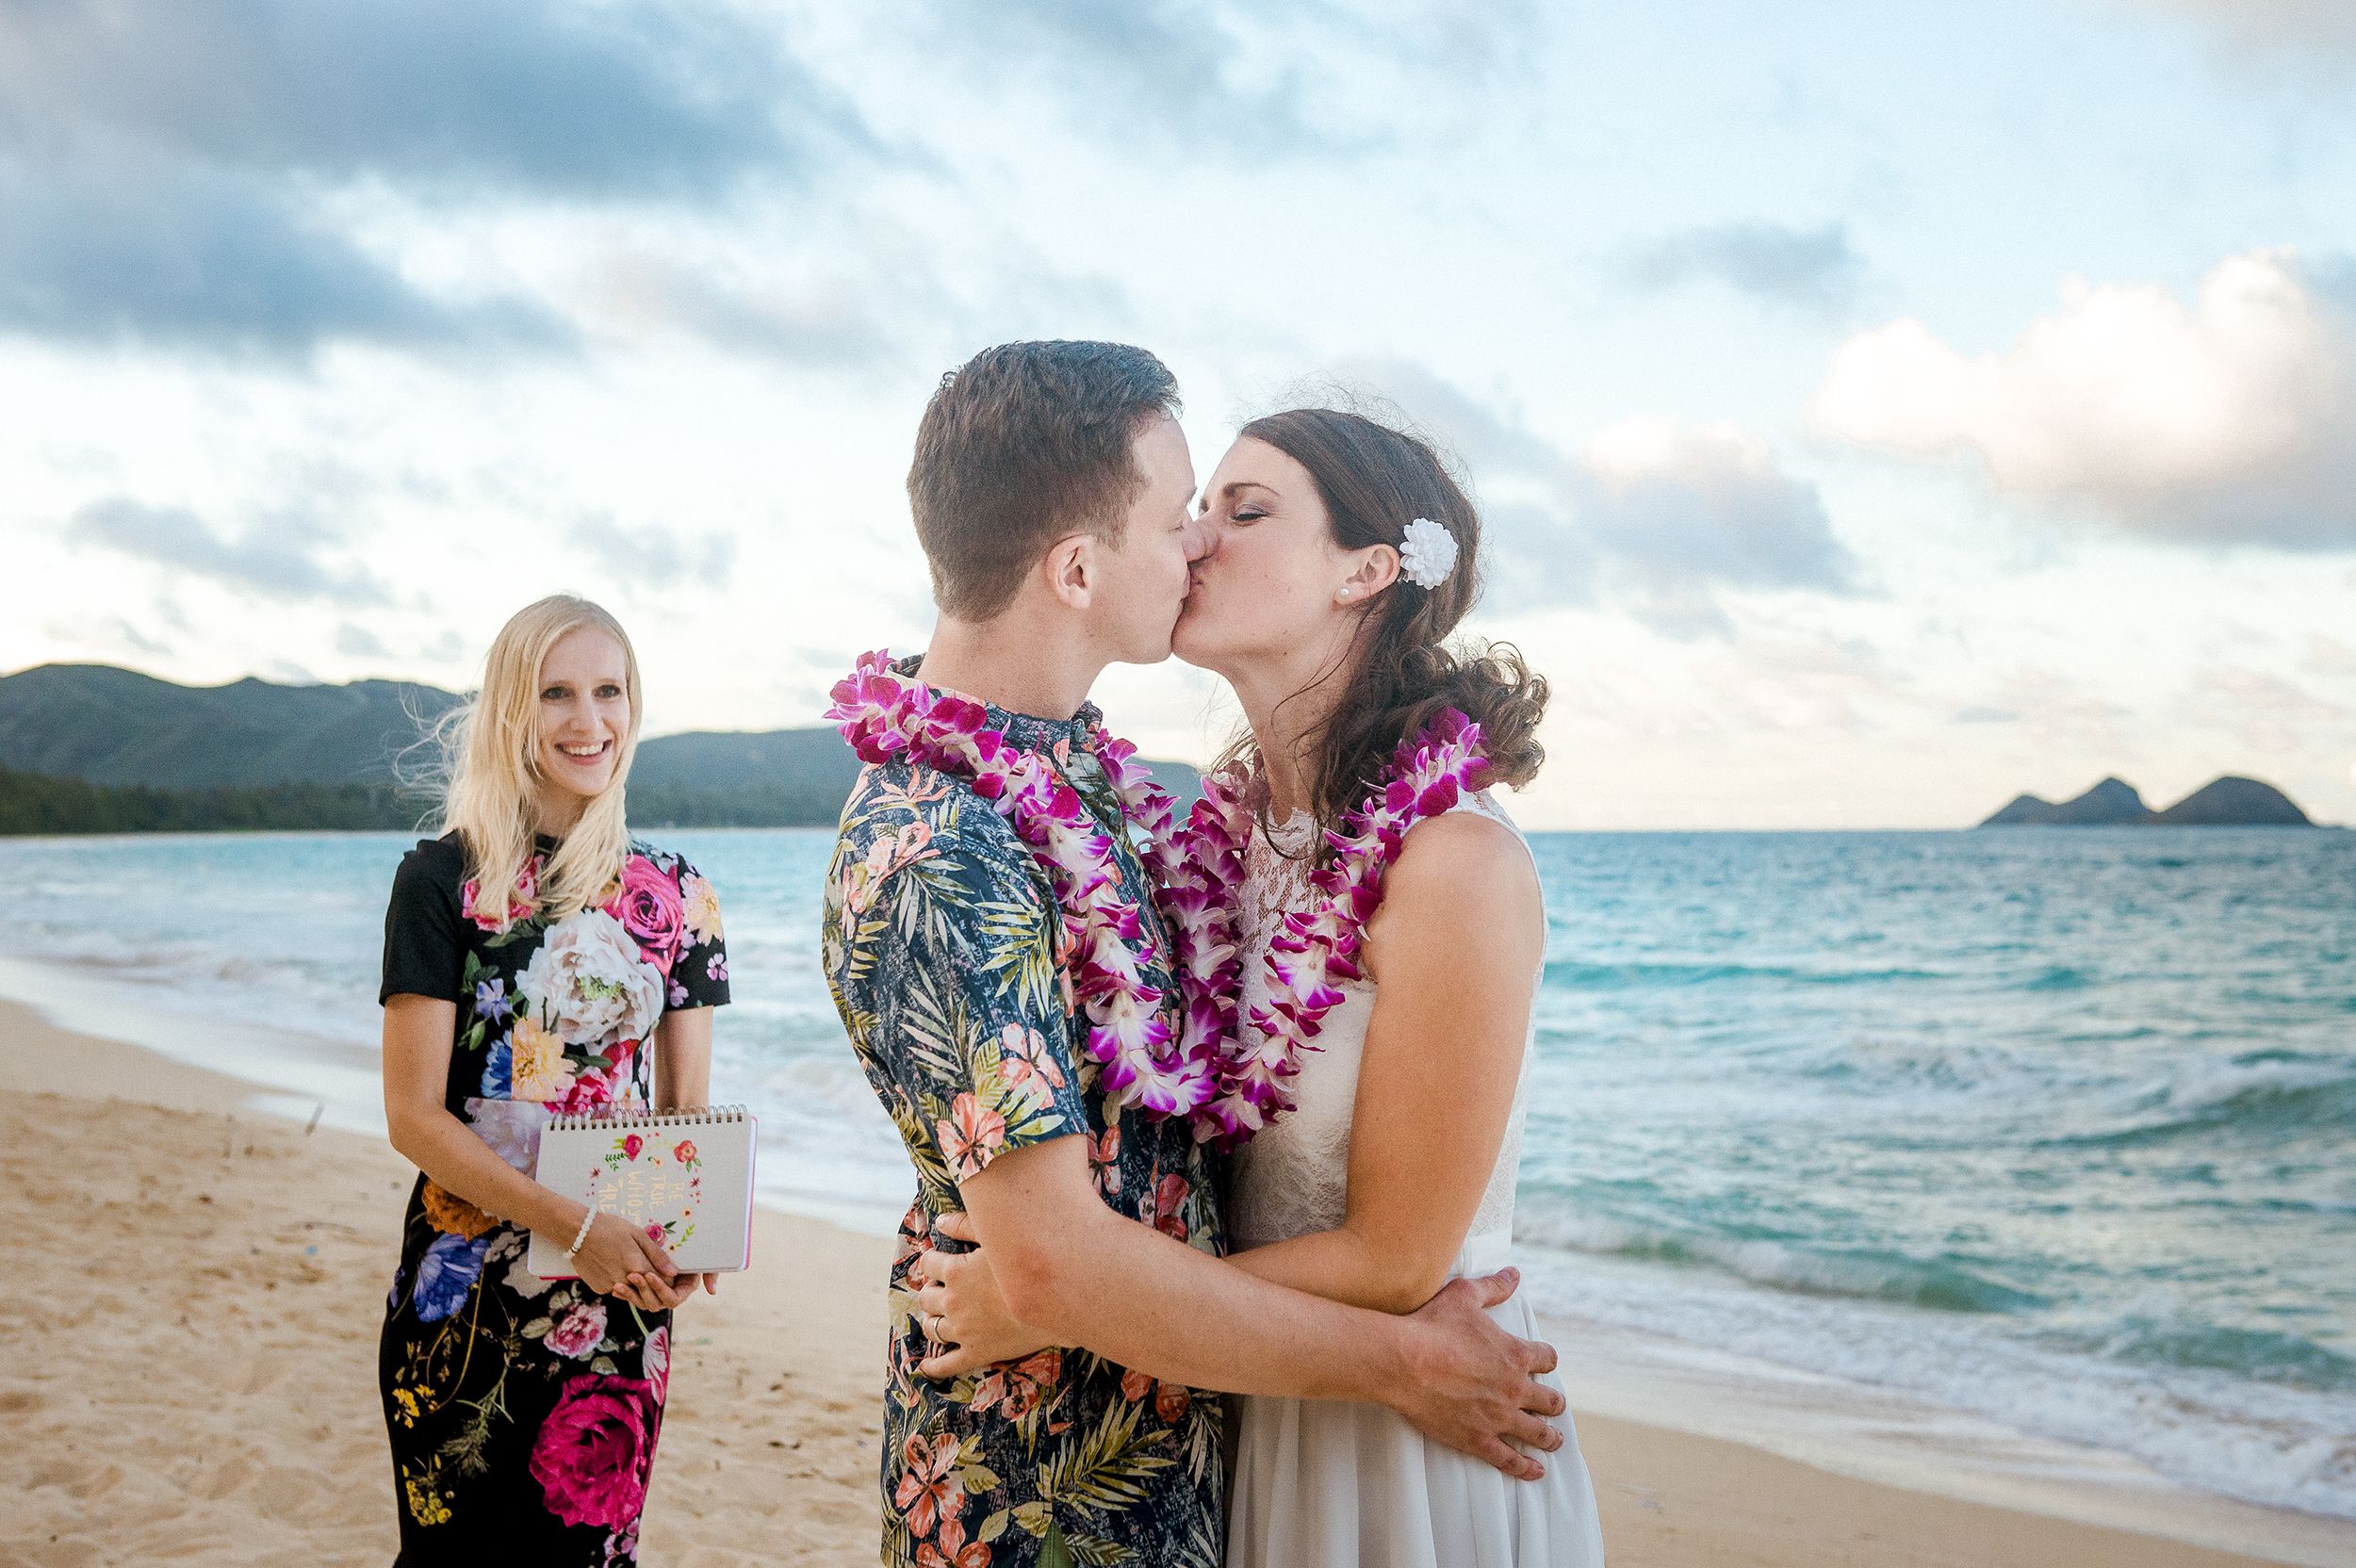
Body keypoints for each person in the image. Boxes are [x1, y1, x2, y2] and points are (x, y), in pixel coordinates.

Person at [822, 342, 1565, 1568]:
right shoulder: (948, 845)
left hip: (1318, 1432)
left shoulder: (1164, 815)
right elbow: (1054, 1251)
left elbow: (1354, 1237)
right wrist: (1047, 1286)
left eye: (1237, 510)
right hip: (1059, 1483)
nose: (1199, 542)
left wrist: (1055, 1287)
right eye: (1184, 513)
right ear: (1075, 567)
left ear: (1368, 572)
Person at [378, 594, 731, 1565]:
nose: (590, 721)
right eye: (557, 693)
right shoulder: (440, 879)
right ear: (509, 710)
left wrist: (689, 1231)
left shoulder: (679, 891)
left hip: (609, 1297)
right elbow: (413, 1114)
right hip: (464, 1292)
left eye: (609, 691)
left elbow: (682, 1114)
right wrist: (572, 1218)